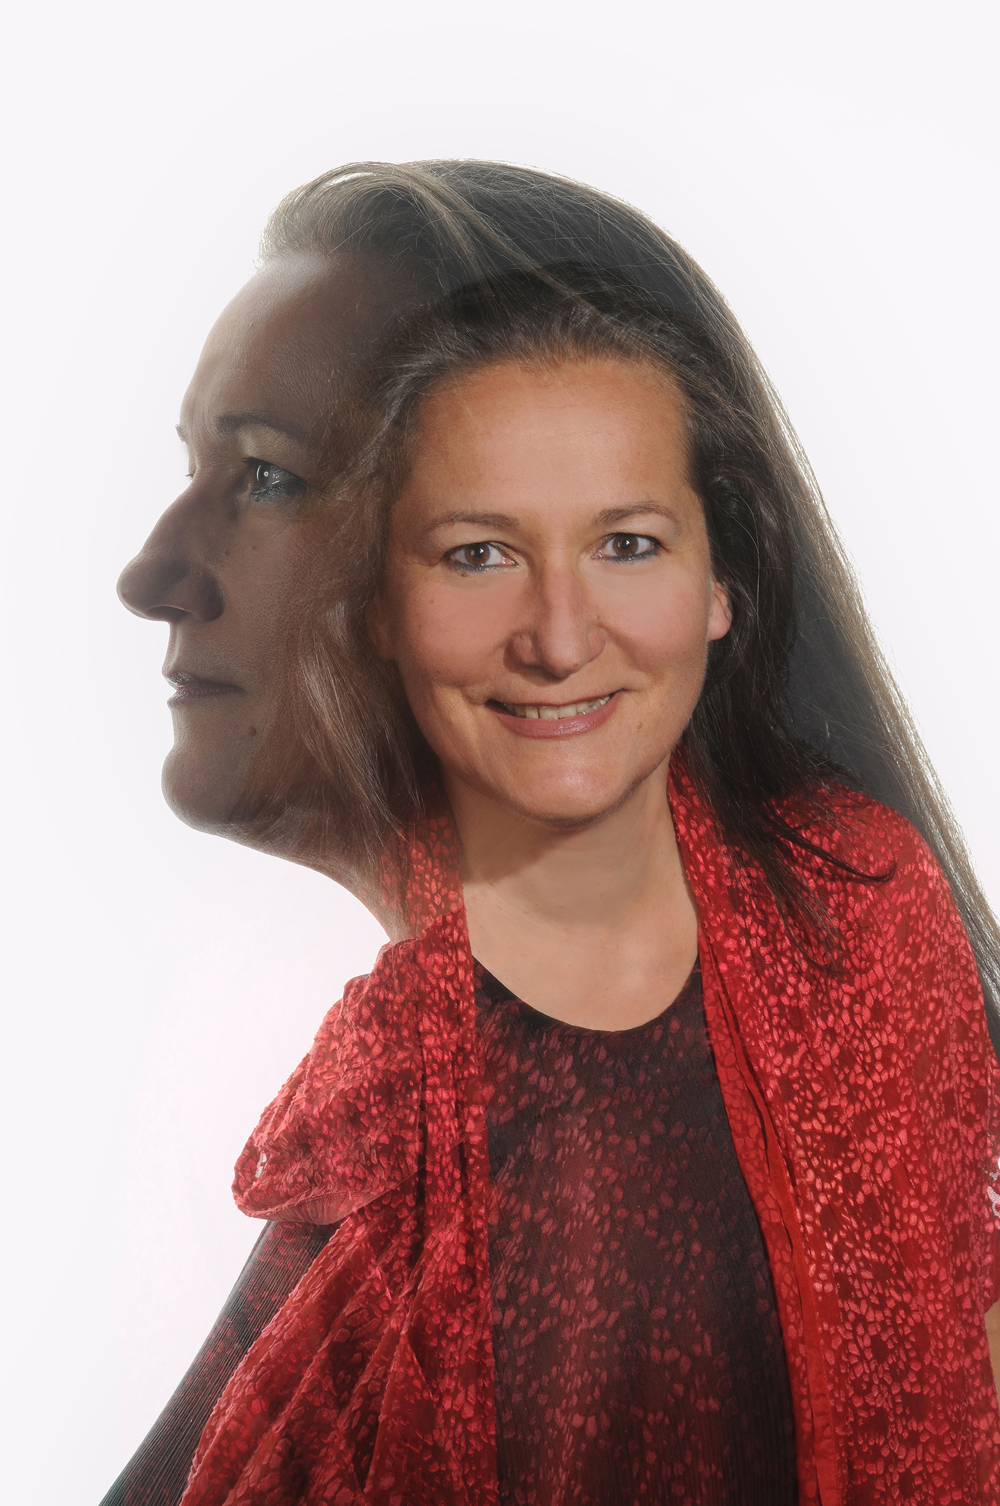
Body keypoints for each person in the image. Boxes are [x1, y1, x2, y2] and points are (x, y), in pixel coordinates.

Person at [108, 161, 1000, 1506]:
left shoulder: (762, 978)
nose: (155, 573)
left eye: (271, 477)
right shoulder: (428, 1091)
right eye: (479, 551)